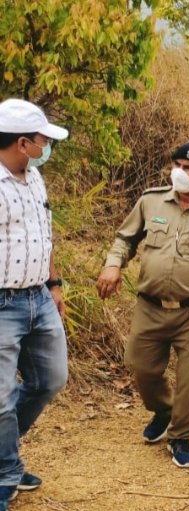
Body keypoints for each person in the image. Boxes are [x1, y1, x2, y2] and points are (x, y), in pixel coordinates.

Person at [97, 142, 189, 468]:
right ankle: (164, 411)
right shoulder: (151, 201)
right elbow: (125, 238)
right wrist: (113, 264)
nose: (179, 171)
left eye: (188, 168)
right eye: (177, 164)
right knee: (140, 367)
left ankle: (181, 436)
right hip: (149, 307)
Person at [0, 99, 70, 508]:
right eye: (43, 139)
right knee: (1, 399)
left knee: (49, 380)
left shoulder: (35, 178)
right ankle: (6, 472)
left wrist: (54, 283)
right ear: (23, 143)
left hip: (38, 298)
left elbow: (41, 234)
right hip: (3, 304)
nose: (47, 145)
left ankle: (3, 455)